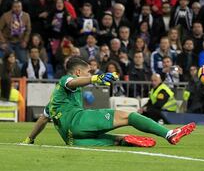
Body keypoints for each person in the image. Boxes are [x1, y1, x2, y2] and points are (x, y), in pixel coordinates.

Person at [22, 57, 195, 146]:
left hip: (72, 138)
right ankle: (169, 134)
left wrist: (30, 139)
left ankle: (123, 139)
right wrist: (96, 78)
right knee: (129, 117)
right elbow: (72, 82)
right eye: (87, 72)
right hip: (78, 121)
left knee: (112, 139)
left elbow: (43, 120)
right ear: (77, 72)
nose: (89, 75)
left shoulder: (54, 101)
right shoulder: (67, 80)